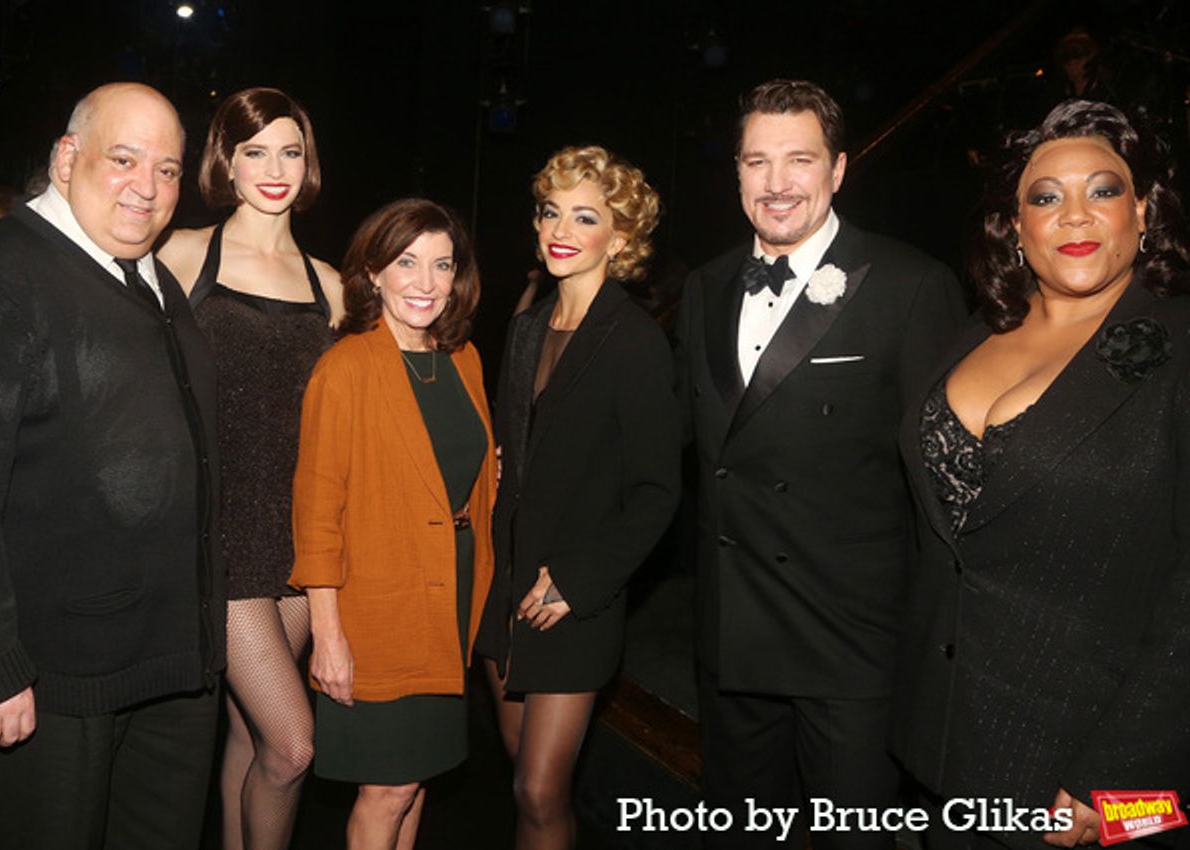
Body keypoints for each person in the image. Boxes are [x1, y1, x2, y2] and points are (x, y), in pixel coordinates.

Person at [675, 79, 966, 850]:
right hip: (733, 640)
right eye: (757, 162)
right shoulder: (704, 289)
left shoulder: (911, 287)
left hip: (851, 649)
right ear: (735, 172)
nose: (777, 184)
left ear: (838, 169)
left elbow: (946, 486)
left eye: (799, 160)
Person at [893, 99, 1190, 850]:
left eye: (1105, 189)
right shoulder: (981, 327)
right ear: (1015, 226)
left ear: (1146, 209)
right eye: (1046, 197)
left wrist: (1119, 782)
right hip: (946, 746)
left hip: (1089, 777)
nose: (1075, 216)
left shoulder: (1181, 346)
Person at [0, 83, 224, 849]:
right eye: (123, 160)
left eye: (167, 169)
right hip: (58, 679)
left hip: (172, 664)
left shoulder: (151, 276)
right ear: (66, 159)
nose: (148, 188)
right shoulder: (8, 271)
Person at [475, 145, 681, 850]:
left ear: (619, 238)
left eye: (584, 216)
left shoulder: (634, 342)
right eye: (550, 211)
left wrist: (580, 580)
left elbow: (658, 492)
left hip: (573, 594)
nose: (560, 228)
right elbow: (513, 454)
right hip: (507, 587)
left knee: (540, 789)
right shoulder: (526, 326)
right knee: (518, 778)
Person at [159, 87, 342, 850]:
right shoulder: (179, 254)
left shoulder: (330, 285)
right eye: (255, 151)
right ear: (225, 164)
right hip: (218, 533)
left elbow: (349, 421)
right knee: (293, 742)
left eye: (290, 151)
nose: (275, 169)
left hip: (296, 537)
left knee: (251, 736)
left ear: (308, 165)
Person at [290, 198, 495, 850]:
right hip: (376, 612)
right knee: (386, 790)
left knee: (419, 781)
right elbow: (317, 514)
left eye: (442, 265)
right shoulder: (345, 368)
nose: (426, 282)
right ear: (373, 271)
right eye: (407, 262)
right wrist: (328, 636)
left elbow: (466, 475)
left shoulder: (463, 360)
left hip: (449, 603)